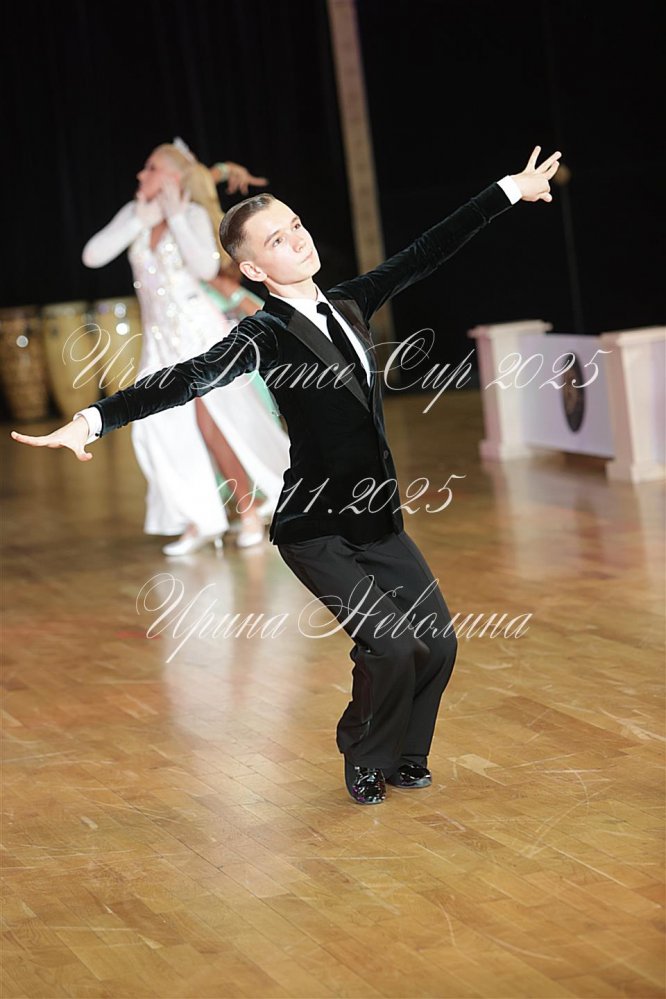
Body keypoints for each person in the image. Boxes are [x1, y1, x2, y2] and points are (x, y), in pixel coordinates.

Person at [13, 145, 561, 804]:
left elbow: (425, 251)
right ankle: (363, 750)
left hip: (376, 517)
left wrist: (509, 189)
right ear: (252, 268)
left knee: (436, 644)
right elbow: (184, 378)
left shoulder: (351, 303)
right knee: (390, 646)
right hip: (315, 528)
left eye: (295, 226)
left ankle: (406, 753)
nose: (298, 240)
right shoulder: (262, 335)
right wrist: (94, 418)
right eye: (277, 239)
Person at [81, 142, 290, 555]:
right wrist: (138, 219)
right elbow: (93, 256)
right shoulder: (136, 214)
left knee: (218, 424)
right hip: (159, 343)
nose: (141, 175)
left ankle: (249, 510)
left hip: (201, 339)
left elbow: (206, 267)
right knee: (158, 429)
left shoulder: (190, 214)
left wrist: (175, 216)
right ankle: (200, 519)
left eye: (151, 168)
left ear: (173, 178)